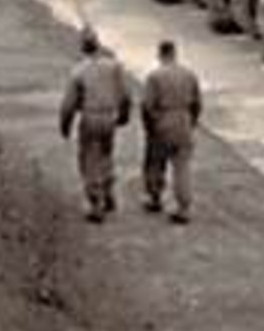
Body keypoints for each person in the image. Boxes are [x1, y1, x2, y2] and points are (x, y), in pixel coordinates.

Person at [59, 29, 131, 223]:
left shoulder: (78, 71)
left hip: (90, 117)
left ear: (82, 48)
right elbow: (125, 96)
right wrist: (124, 116)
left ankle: (96, 202)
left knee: (90, 159)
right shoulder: (114, 66)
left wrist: (65, 126)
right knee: (106, 155)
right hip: (109, 117)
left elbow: (68, 105)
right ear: (98, 45)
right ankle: (108, 192)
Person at [141, 40, 202, 224]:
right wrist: (191, 122)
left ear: (160, 54)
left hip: (163, 121)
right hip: (183, 120)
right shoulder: (189, 74)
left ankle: (155, 197)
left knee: (155, 163)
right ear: (175, 53)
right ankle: (183, 207)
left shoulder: (154, 76)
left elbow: (147, 105)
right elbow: (197, 103)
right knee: (182, 167)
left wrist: (149, 126)